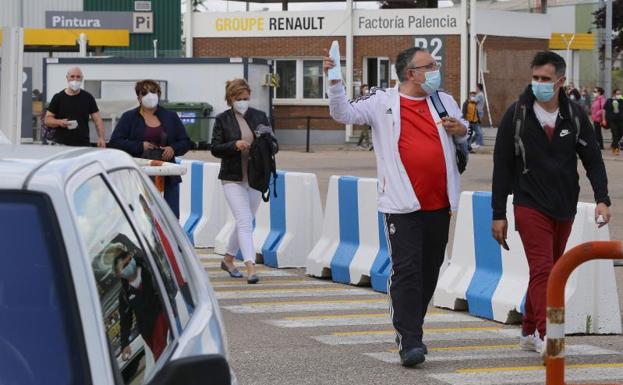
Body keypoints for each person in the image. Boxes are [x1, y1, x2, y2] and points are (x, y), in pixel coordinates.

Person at [325, 47, 467, 367]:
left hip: (439, 202)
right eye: (428, 65)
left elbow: (463, 135)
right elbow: (343, 114)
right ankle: (409, 340)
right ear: (410, 74)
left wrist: (462, 130)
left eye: (435, 64)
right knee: (407, 270)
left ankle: (413, 328)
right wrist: (335, 81)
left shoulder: (444, 100)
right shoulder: (382, 101)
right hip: (401, 204)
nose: (436, 69)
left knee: (430, 268)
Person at [491, 51, 611, 360]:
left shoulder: (574, 116)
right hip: (529, 204)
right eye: (535, 78)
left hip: (564, 204)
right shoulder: (516, 114)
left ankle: (529, 329)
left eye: (546, 79)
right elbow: (501, 167)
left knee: (549, 270)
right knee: (545, 270)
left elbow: (593, 160)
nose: (539, 84)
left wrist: (602, 198)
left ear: (561, 81)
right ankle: (549, 336)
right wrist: (498, 215)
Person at [211, 78, 273, 285]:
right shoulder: (222, 119)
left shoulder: (260, 116)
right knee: (245, 222)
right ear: (231, 99)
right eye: (239, 99)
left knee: (244, 221)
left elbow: (274, 145)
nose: (244, 102)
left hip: (255, 177)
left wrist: (263, 142)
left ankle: (228, 259)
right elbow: (214, 148)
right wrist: (234, 145)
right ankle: (250, 266)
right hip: (232, 178)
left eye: (246, 98)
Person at [109, 80, 192, 218]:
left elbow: (185, 142)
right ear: (138, 98)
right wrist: (140, 146)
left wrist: (173, 148)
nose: (150, 95)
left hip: (167, 176)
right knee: (142, 217)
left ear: (159, 94)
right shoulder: (129, 117)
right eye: (145, 93)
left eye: (153, 91)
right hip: (139, 174)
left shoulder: (170, 117)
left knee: (170, 216)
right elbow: (115, 142)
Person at [112, 244, 170, 362]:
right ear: (119, 274)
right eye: (125, 266)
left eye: (129, 261)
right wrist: (125, 344)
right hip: (149, 332)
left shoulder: (149, 269)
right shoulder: (125, 295)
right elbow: (125, 320)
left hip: (166, 318)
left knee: (164, 358)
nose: (129, 265)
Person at [44, 67, 106, 147]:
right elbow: (47, 120)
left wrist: (101, 138)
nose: (75, 79)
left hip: (83, 144)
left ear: (82, 78)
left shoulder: (88, 97)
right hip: (61, 144)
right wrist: (60, 122)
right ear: (67, 78)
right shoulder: (58, 97)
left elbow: (97, 119)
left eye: (78, 77)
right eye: (72, 76)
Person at [603, 88, 623, 155]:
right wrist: (604, 119)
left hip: (620, 120)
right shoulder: (609, 101)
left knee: (620, 133)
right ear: (614, 94)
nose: (619, 95)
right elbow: (604, 110)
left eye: (620, 93)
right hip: (612, 120)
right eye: (617, 93)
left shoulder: (621, 101)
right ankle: (615, 148)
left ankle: (613, 144)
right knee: (615, 133)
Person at [357, 84, 372, 149]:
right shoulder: (360, 97)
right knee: (365, 130)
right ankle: (368, 144)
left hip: (368, 115)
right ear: (362, 90)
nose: (367, 90)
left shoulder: (369, 97)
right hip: (362, 115)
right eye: (365, 88)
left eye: (367, 88)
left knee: (364, 130)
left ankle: (359, 144)